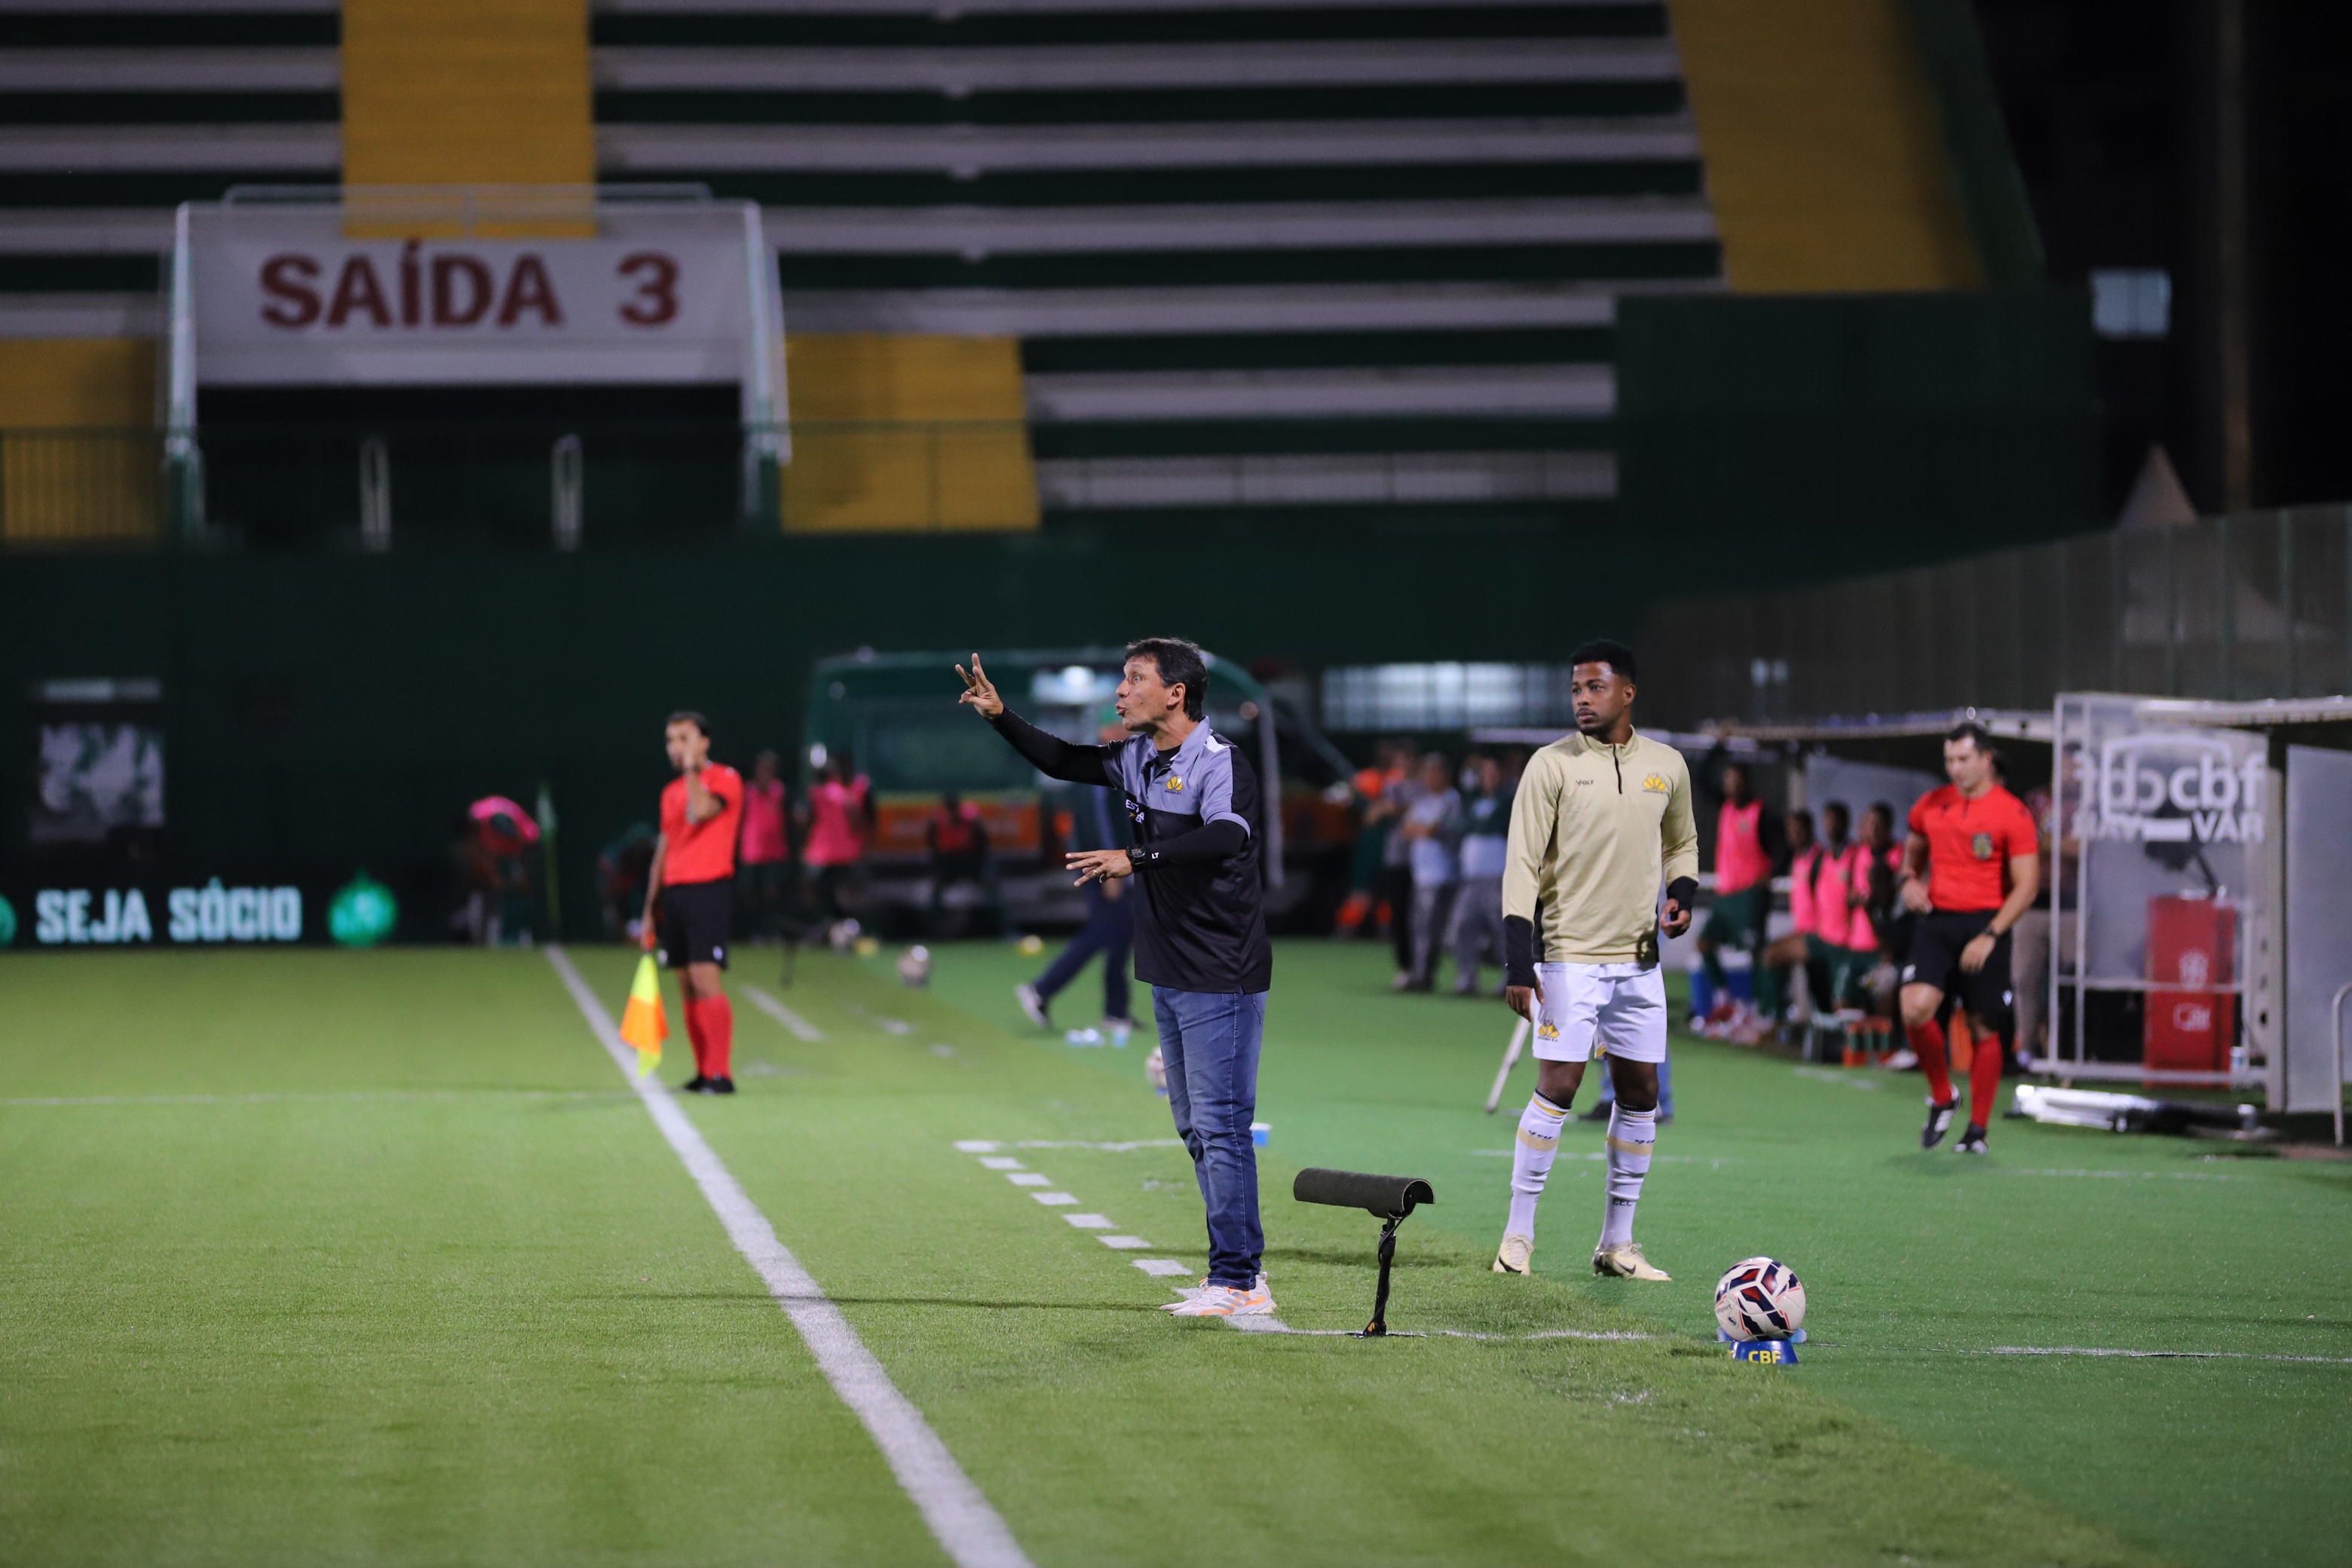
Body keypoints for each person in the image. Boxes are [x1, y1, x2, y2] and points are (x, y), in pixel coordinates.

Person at [959, 639, 1276, 1320]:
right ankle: (1235, 1271)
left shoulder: (1219, 762)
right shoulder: (1138, 758)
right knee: (1197, 1129)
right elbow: (1064, 759)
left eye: (1134, 680)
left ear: (1176, 694)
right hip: (1169, 969)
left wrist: (1138, 856)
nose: (1119, 692)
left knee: (1221, 1127)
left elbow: (1227, 838)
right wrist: (1000, 715)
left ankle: (1240, 1278)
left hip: (1222, 972)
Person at [1493, 639, 1698, 1283]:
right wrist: (1518, 964)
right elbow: (1521, 865)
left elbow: (1683, 843)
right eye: (1576, 689)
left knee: (1640, 1093)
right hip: (1568, 958)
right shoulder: (1550, 766)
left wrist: (1682, 894)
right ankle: (1518, 1237)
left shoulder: (1667, 765)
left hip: (1639, 963)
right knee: (1558, 1087)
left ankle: (1619, 1243)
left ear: (1626, 693)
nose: (1582, 699)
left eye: (1595, 688)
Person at [1898, 723, 2039, 1153]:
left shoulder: (2011, 813)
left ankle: (1977, 1130)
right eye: (1949, 761)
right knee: (1915, 1008)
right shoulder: (1931, 805)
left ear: (1985, 759)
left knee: (1982, 1025)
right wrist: (1908, 880)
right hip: (1938, 920)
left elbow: (2027, 885)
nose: (1955, 769)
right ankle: (1943, 1096)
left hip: (1985, 922)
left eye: (1963, 760)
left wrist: (1991, 933)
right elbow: (1913, 852)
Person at [640, 712, 744, 1095]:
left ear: (705, 742)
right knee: (685, 984)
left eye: (684, 738)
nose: (676, 747)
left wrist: (691, 772)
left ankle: (722, 1073)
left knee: (706, 979)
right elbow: (664, 850)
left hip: (708, 890)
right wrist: (650, 907)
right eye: (670, 740)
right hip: (676, 892)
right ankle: (703, 1071)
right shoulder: (670, 792)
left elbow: (701, 811)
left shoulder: (725, 779)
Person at [1017, 719, 1138, 1039]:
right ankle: (1041, 990)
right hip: (1102, 865)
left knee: (1120, 934)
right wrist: (1108, 868)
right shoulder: (1102, 765)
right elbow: (1101, 822)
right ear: (1106, 729)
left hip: (1101, 862)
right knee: (1104, 933)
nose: (1128, 730)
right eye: (1121, 724)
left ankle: (1116, 1011)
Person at [1695, 758, 1784, 1036]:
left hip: (1750, 896)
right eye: (1728, 780)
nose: (1731, 785)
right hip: (1726, 895)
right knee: (1705, 943)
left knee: (1755, 952)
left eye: (1736, 780)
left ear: (1747, 782)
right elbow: (1700, 777)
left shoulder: (1762, 813)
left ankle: (1757, 1010)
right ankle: (1725, 999)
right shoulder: (1726, 807)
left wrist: (1771, 875)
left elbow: (1783, 847)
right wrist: (1718, 747)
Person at [1446, 754, 1512, 995]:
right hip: (1471, 877)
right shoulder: (1471, 800)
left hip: (1497, 876)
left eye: (1493, 774)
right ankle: (1466, 976)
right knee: (1464, 926)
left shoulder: (1508, 800)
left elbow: (1492, 825)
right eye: (1485, 774)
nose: (1489, 778)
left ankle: (1509, 977)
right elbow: (1463, 824)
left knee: (1501, 929)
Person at [1398, 752, 1461, 991]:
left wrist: (1421, 829)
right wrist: (1420, 829)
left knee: (1436, 930)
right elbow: (1406, 831)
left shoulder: (1451, 800)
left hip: (1441, 874)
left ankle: (1428, 973)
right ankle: (1420, 973)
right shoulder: (1422, 802)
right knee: (1418, 927)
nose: (1429, 777)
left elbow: (1431, 830)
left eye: (1434, 772)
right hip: (1421, 875)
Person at [1759, 807, 1819, 1030]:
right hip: (1803, 930)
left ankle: (1772, 1018)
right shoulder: (1798, 858)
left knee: (1771, 955)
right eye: (1790, 831)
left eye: (1798, 830)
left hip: (1816, 933)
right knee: (1772, 954)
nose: (1794, 836)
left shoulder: (1818, 858)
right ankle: (1781, 1013)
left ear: (1810, 830)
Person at [801, 755, 869, 937]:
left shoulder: (817, 793)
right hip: (845, 851)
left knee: (818, 892)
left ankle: (828, 926)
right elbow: (857, 821)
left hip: (820, 852)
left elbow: (808, 820)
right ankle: (841, 927)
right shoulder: (846, 794)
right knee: (842, 894)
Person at [925, 790, 1003, 936]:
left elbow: (983, 841)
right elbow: (931, 841)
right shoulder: (938, 819)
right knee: (935, 893)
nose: (952, 811)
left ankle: (1005, 930)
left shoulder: (970, 818)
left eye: (954, 807)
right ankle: (929, 932)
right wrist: (939, 862)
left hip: (971, 860)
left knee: (994, 891)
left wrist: (979, 862)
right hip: (949, 862)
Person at [740, 749, 791, 940]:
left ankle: (770, 931)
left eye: (769, 770)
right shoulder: (747, 791)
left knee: (771, 894)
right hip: (751, 852)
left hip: (774, 852)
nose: (765, 774)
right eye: (762, 770)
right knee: (750, 895)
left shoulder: (780, 791)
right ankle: (752, 932)